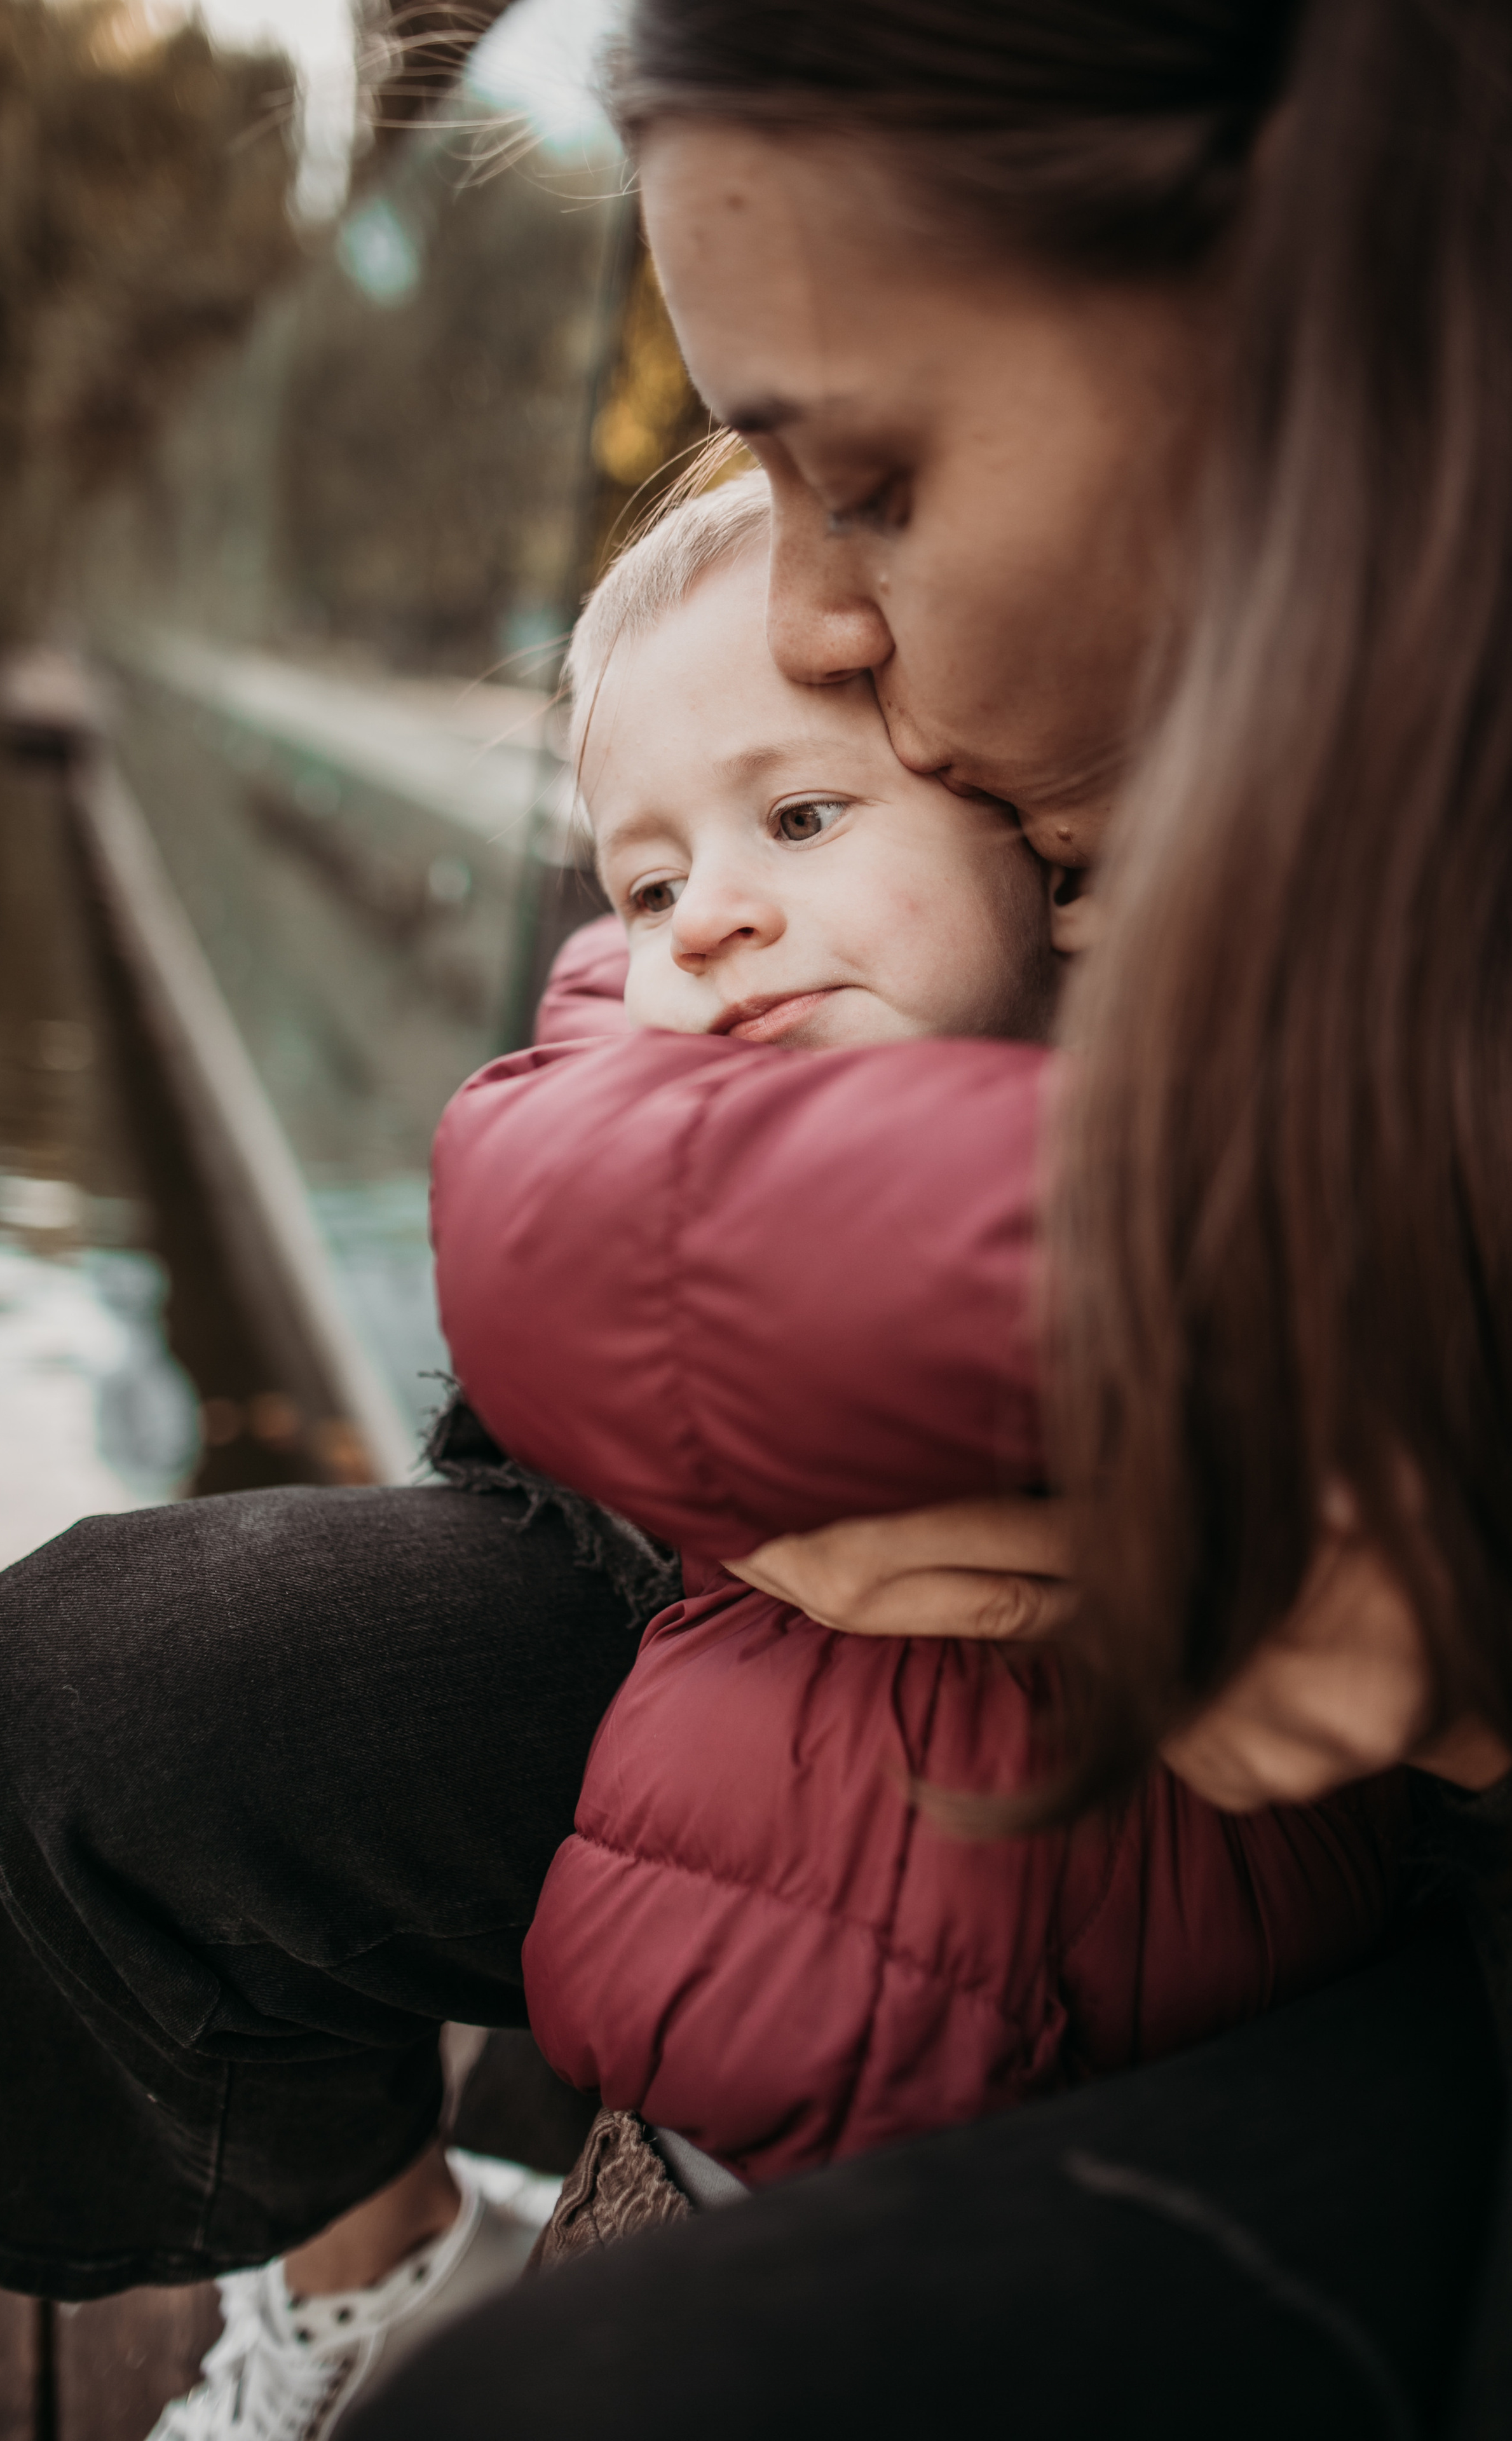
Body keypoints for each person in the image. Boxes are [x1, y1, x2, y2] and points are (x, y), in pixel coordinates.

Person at [0, 2, 1511, 2437]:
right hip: (852, 1801)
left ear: (1323, 322)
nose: (813, 610)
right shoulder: (1013, 825)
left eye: (862, 474)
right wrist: (1183, 1350)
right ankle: (355, 2273)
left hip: (1347, 1946)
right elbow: (543, 1182)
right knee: (98, 1676)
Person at [440, 466, 1404, 2226]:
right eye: (648, 883)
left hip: (1153, 2117)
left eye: (801, 822)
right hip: (725, 2077)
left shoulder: (1233, 1066)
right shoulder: (681, 1088)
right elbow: (547, 1167)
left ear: (1051, 843)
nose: (706, 916)